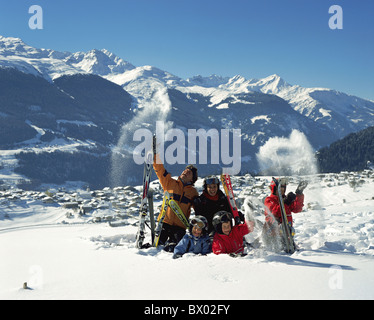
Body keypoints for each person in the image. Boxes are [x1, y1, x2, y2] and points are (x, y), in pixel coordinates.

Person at [153, 147, 199, 251]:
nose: (185, 172)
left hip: (180, 227)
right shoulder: (170, 183)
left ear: (192, 179)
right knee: (157, 245)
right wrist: (155, 155)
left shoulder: (193, 192)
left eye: (189, 173)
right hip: (165, 223)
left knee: (176, 246)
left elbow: (199, 209)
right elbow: (160, 170)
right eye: (185, 170)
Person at [262, 178, 305, 248]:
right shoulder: (269, 200)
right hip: (273, 236)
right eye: (279, 188)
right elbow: (275, 213)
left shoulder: (284, 199)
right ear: (274, 189)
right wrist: (285, 202)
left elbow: (297, 209)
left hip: (286, 235)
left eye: (283, 188)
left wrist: (299, 194)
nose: (282, 190)